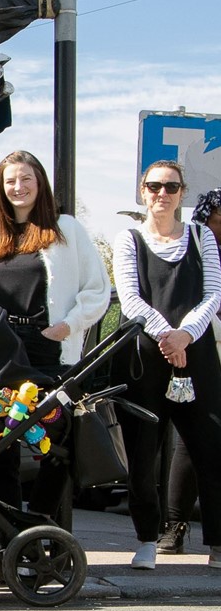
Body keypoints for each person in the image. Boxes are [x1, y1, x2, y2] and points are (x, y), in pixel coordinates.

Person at [0, 150, 109, 514]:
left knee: (58, 443)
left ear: (40, 183)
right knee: (0, 443)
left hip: (47, 349)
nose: (18, 187)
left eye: (26, 178)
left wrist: (67, 326)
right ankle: (11, 529)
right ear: (0, 188)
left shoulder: (65, 229)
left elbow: (97, 289)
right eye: (10, 181)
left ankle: (39, 523)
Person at [112, 161, 221, 571]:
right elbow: (131, 298)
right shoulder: (129, 239)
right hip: (145, 358)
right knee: (143, 451)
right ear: (142, 191)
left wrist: (185, 336)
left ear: (182, 192)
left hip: (197, 354)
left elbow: (213, 294)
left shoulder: (201, 235)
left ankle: (217, 543)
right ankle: (146, 539)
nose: (162, 193)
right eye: (154, 186)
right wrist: (166, 337)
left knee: (211, 446)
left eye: (171, 187)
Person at [158, 186, 221, 554]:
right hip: (193, 347)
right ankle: (174, 526)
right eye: (218, 219)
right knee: (193, 440)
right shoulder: (195, 247)